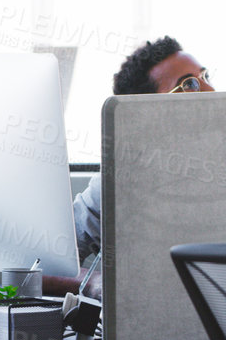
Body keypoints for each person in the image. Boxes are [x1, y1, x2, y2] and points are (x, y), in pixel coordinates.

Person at [53, 36, 214, 297]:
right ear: (145, 112)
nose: (209, 90)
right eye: (189, 84)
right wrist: (96, 281)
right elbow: (47, 262)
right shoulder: (122, 179)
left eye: (205, 76)